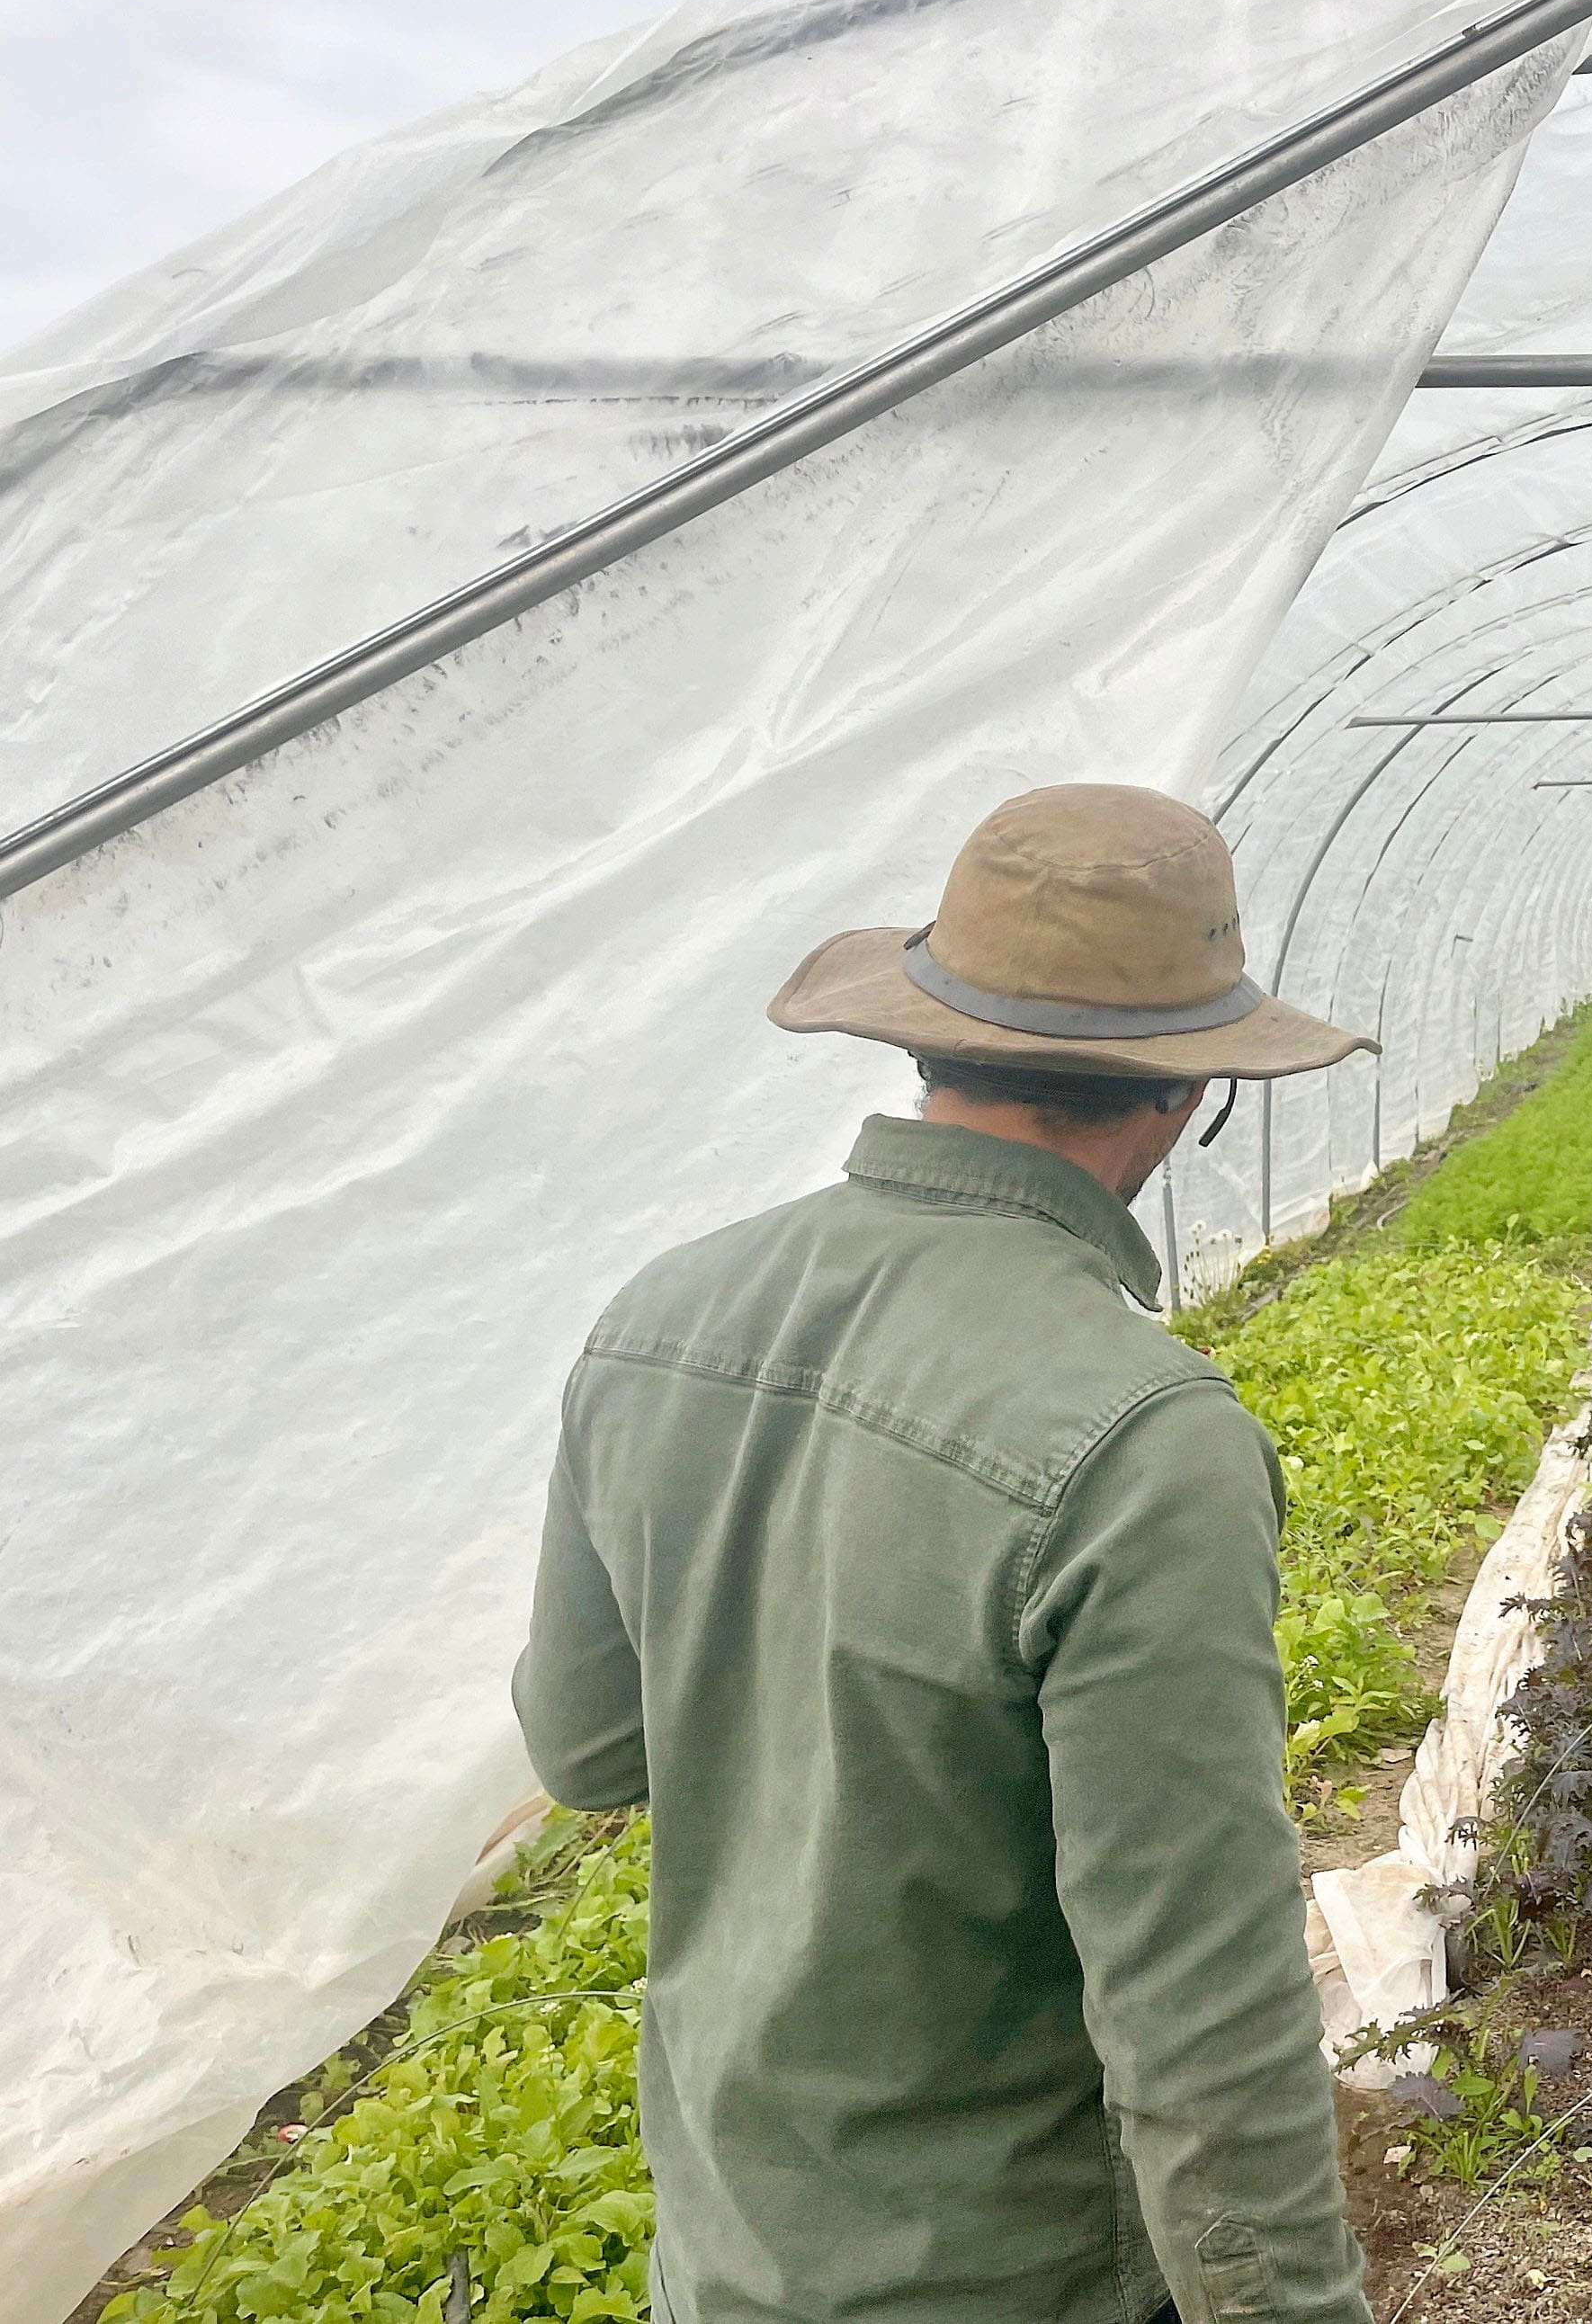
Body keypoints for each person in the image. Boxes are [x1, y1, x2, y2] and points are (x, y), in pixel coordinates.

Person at [512, 783, 1377, 2324]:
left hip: (725, 2247)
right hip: (1003, 2272)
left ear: (927, 1044)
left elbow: (586, 1748)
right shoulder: (1142, 1438)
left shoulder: (659, 1314)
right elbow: (1196, 2008)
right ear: (1186, 1090)